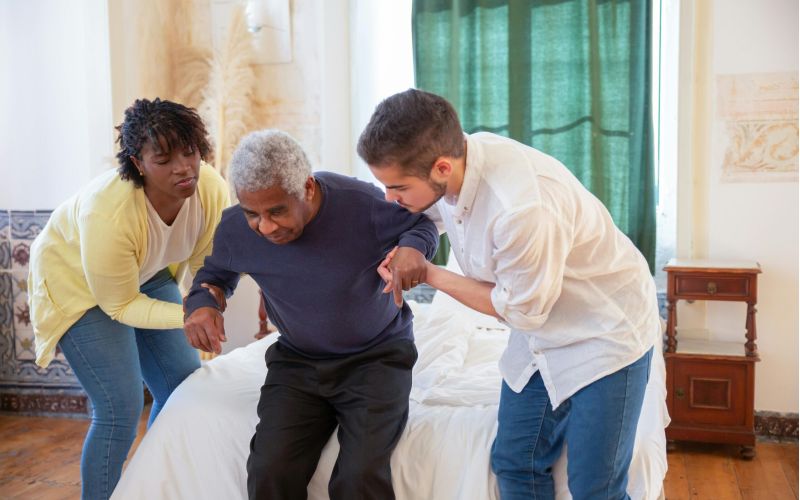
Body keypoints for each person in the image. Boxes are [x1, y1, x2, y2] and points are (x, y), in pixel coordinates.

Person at [357, 88, 660, 500]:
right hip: (541, 331)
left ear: (443, 167)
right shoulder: (457, 163)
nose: (390, 200)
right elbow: (427, 213)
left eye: (397, 188)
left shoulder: (521, 209)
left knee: (595, 488)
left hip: (605, 331)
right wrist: (410, 247)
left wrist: (430, 273)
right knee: (514, 463)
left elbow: (521, 312)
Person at [182, 129, 438, 500]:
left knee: (358, 477)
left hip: (376, 357)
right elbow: (215, 275)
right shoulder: (236, 229)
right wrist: (202, 305)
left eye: (277, 211)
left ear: (307, 188)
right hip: (299, 362)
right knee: (269, 470)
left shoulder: (359, 203)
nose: (265, 227)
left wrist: (412, 251)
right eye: (253, 213)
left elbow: (420, 225)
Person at [28, 98, 230, 500]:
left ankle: (149, 489)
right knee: (119, 408)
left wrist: (205, 304)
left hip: (147, 270)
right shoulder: (109, 211)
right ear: (138, 163)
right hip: (78, 284)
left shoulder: (209, 188)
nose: (184, 168)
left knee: (181, 389)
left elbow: (209, 267)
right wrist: (188, 316)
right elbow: (118, 306)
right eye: (164, 159)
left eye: (190, 152)